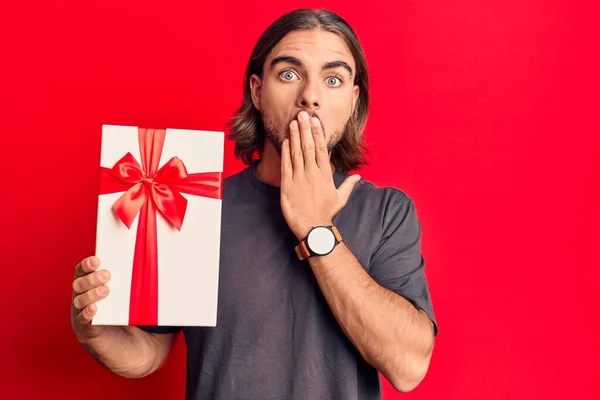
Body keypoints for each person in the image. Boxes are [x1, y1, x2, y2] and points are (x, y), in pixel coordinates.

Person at [71, 8, 438, 400]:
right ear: (257, 92)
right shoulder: (197, 204)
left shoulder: (388, 213)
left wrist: (316, 228)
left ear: (352, 102)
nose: (310, 96)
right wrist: (94, 331)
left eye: (332, 79)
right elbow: (147, 353)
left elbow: (408, 366)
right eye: (289, 74)